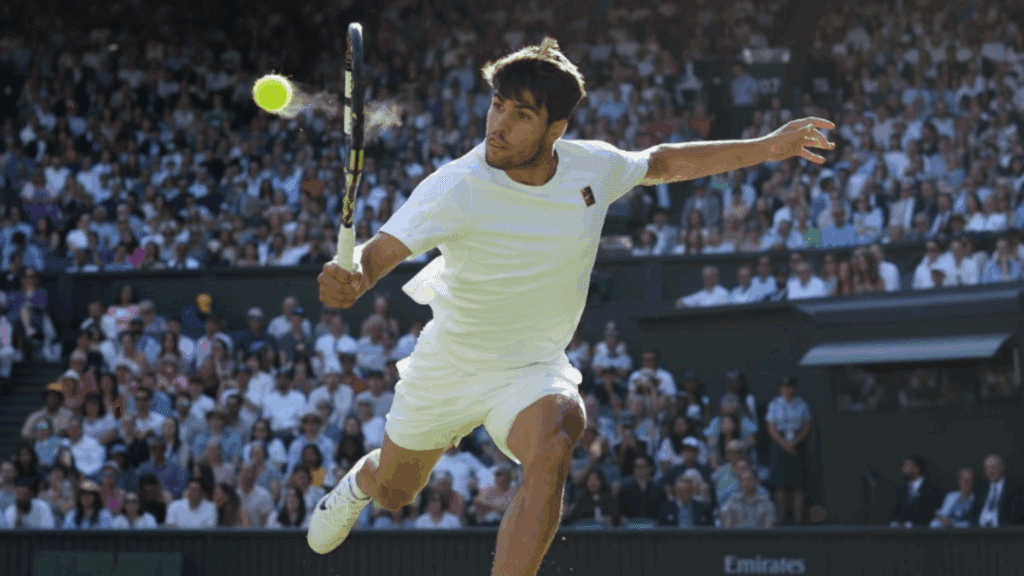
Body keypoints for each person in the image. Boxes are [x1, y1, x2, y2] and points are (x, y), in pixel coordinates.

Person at [306, 37, 834, 575]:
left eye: (521, 114)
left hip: (532, 368)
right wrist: (355, 279)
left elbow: (661, 161)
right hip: (450, 365)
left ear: (556, 129)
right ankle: (358, 484)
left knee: (557, 438)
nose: (498, 125)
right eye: (497, 106)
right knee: (394, 493)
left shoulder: (592, 169)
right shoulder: (455, 186)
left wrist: (768, 146)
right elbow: (378, 256)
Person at [765, 377, 812, 525]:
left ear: (795, 388)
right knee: (780, 484)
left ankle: (798, 520)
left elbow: (806, 425)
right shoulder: (774, 404)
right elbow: (771, 426)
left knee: (798, 484)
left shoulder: (802, 404)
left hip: (797, 442)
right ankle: (780, 519)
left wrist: (795, 442)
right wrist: (783, 443)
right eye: (784, 387)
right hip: (780, 442)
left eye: (790, 387)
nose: (787, 390)